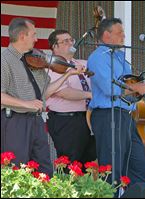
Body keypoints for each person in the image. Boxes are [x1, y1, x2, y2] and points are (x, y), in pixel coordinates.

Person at [1, 18, 84, 176]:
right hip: (14, 122)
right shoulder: (4, 60)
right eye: (34, 34)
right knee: (16, 171)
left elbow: (44, 94)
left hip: (36, 122)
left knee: (44, 171)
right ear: (22, 36)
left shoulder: (34, 60)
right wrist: (27, 104)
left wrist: (68, 75)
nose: (37, 39)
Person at [87, 18, 145, 186]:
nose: (124, 36)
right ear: (106, 35)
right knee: (112, 170)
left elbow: (129, 88)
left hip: (126, 116)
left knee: (137, 166)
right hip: (108, 116)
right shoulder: (98, 57)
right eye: (119, 33)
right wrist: (139, 86)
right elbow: (111, 89)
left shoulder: (121, 57)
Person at [46, 30, 97, 167]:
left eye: (71, 40)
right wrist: (90, 95)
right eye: (65, 41)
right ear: (54, 47)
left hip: (88, 117)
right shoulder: (52, 66)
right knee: (70, 163)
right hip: (66, 120)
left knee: (88, 162)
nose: (70, 43)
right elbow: (63, 92)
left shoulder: (83, 63)